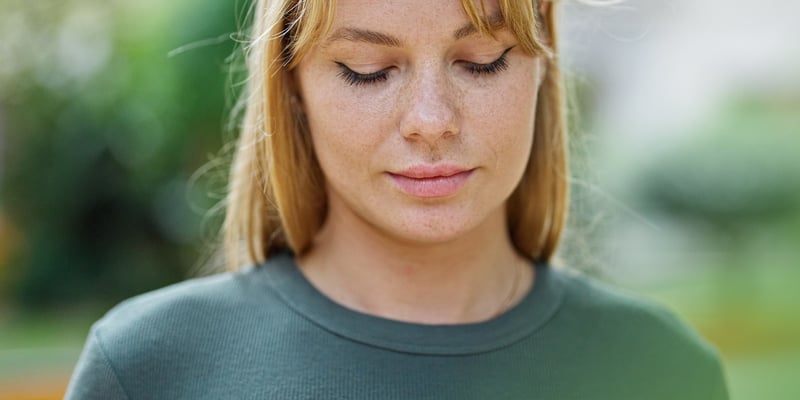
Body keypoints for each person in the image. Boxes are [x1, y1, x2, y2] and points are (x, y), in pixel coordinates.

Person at [66, 0, 728, 398]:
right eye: (368, 71)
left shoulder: (663, 368)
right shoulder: (148, 369)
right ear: (292, 86)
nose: (432, 119)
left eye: (482, 61)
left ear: (542, 61)